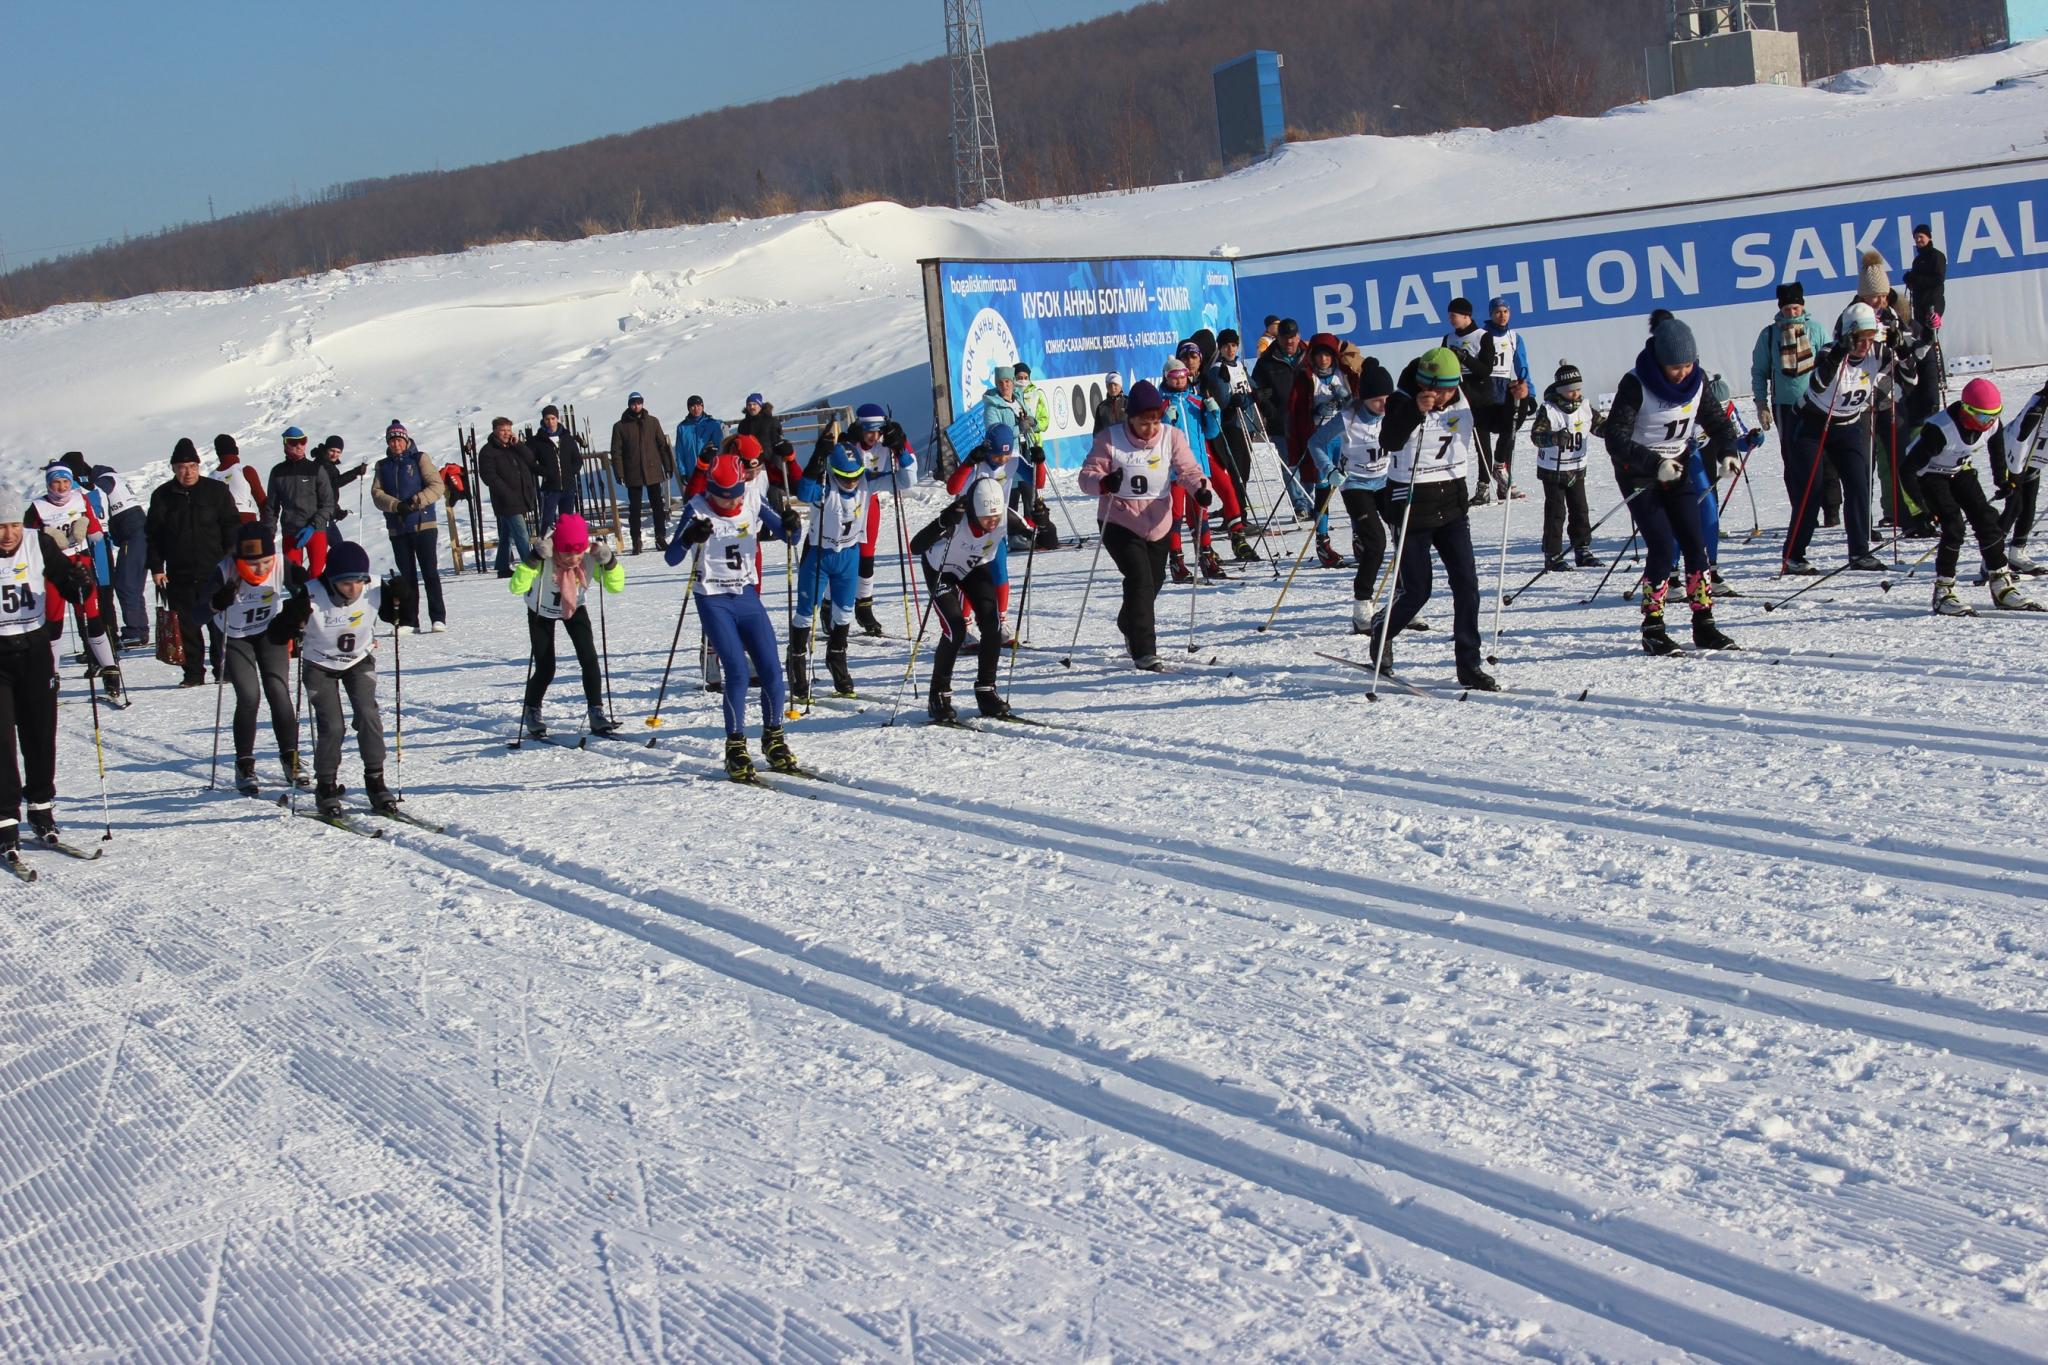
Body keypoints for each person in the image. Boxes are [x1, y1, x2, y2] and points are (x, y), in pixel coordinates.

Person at [1603, 315, 1749, 654]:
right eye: (1674, 367)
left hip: (1678, 468)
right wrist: (1655, 464)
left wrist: (1728, 452)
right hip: (1639, 472)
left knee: (1695, 544)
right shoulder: (1636, 383)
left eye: (1687, 365)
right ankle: (1653, 627)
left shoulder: (1698, 381)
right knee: (1662, 546)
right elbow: (1616, 439)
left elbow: (1718, 422)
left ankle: (1704, 624)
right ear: (1659, 361)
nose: (1682, 373)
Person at [1362, 347, 1494, 687]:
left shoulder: (1463, 396)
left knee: (1467, 586)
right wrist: (1414, 411)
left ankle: (1469, 664)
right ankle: (1383, 628)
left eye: (1451, 389)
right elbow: (1390, 440)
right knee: (1418, 590)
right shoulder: (1401, 400)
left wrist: (1518, 403)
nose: (1445, 397)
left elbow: (1495, 417)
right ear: (1424, 384)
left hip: (1451, 504)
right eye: (1439, 390)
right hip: (1410, 505)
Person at [666, 453, 802, 781]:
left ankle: (773, 738)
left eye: (736, 496)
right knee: (738, 672)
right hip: (713, 600)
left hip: (746, 597)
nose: (732, 503)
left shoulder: (752, 500)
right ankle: (736, 746)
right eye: (724, 498)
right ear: (711, 491)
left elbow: (791, 537)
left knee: (772, 670)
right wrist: (689, 537)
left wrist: (792, 524)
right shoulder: (697, 508)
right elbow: (672, 557)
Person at [268, 541, 411, 816]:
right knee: (333, 726)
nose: (354, 589)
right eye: (346, 583)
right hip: (319, 665)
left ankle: (376, 781)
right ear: (332, 580)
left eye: (359, 581)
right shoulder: (311, 593)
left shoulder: (375, 587)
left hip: (358, 660)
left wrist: (403, 598)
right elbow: (276, 635)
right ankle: (326, 786)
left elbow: (401, 618)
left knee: (368, 715)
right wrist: (292, 618)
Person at [1077, 379, 1210, 671]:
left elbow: (1189, 470)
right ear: (1130, 418)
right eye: (1143, 422)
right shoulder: (1110, 439)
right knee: (1139, 579)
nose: (1150, 428)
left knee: (1155, 580)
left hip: (1159, 521)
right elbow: (1086, 476)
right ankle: (1145, 651)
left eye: (1155, 421)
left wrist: (1200, 488)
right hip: (1119, 520)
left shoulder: (1171, 437)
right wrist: (1104, 482)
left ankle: (1129, 621)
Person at [1783, 302, 1920, 574]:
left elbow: (1911, 380)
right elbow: (1818, 384)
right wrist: (1839, 353)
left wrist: (1901, 349)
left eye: (1870, 338)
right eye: (1859, 339)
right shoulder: (1829, 352)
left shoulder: (1878, 352)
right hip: (1811, 425)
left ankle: (1859, 552)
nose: (1865, 345)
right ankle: (1793, 555)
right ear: (1847, 335)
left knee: (1859, 485)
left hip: (1847, 426)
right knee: (1812, 491)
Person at [0, 505, 95, 865]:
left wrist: (79, 584)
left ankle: (41, 806)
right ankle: (5, 819)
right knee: (2, 741)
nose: (8, 534)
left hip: (35, 650)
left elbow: (67, 582)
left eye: (13, 525)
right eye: (0, 527)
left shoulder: (38, 543)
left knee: (40, 732)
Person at [1901, 379, 2040, 614]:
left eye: (1994, 416)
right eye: (1983, 417)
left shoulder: (1992, 424)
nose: (1988, 423)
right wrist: (1922, 509)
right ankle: (1943, 591)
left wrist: (2002, 481)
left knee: (1987, 520)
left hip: (1958, 470)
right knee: (1953, 526)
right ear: (1966, 410)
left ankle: (2001, 584)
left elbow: (1996, 450)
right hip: (1928, 475)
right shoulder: (1940, 430)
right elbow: (1907, 470)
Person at [790, 440, 894, 704]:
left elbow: (906, 480)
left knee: (844, 612)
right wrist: (816, 459)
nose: (851, 482)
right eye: (845, 478)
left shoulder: (866, 482)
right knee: (806, 613)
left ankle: (836, 659)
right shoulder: (825, 487)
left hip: (848, 556)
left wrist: (901, 449)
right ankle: (797, 663)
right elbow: (804, 493)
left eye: (855, 476)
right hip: (819, 555)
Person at [911, 479, 1022, 722]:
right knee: (956, 629)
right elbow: (915, 546)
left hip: (973, 568)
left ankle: (986, 691)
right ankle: (938, 696)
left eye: (995, 517)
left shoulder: (1006, 517)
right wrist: (943, 521)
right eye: (986, 518)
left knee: (992, 624)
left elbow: (1043, 535)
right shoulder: (958, 517)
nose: (992, 523)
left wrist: (1042, 520)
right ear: (973, 512)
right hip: (940, 571)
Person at [207, 523, 306, 795]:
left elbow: (307, 594)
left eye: (265, 562)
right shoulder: (224, 570)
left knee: (278, 690)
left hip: (269, 633)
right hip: (236, 637)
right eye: (253, 564)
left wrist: (301, 599)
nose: (261, 569)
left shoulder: (280, 564)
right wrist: (216, 602)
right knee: (249, 696)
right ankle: (244, 764)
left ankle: (291, 757)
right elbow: (197, 614)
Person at [510, 512, 624, 738]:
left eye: (578, 553)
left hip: (574, 607)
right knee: (546, 667)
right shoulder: (545, 556)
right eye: (567, 553)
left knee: (589, 659)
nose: (573, 558)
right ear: (557, 548)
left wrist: (610, 563)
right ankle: (532, 709)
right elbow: (516, 587)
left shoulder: (589, 556)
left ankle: (596, 711)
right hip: (541, 611)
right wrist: (533, 559)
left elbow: (615, 587)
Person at [24, 463, 124, 703]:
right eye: (56, 482)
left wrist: (85, 525)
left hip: (80, 564)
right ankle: (52, 674)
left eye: (65, 482)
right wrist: (45, 534)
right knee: (54, 620)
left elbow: (96, 532)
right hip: (52, 567)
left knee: (92, 616)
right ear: (48, 484)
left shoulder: (81, 499)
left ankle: (109, 669)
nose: (61, 487)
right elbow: (25, 539)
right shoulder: (38, 507)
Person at [1309, 358, 1395, 633]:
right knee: (1376, 543)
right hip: (1356, 484)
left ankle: (1405, 601)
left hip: (1386, 481)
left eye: (1387, 399)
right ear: (1365, 398)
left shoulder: (1393, 413)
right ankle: (1361, 608)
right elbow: (1316, 442)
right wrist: (1329, 469)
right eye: (1378, 400)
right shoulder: (1348, 417)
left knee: (1407, 534)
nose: (1384, 405)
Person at [146, 439, 240, 687]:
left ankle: (224, 669)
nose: (187, 472)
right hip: (180, 572)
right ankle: (193, 673)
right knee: (186, 625)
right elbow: (153, 536)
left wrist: (231, 561)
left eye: (192, 466)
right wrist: (156, 567)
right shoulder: (162, 496)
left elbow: (231, 527)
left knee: (219, 623)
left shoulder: (216, 491)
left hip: (215, 570)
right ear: (173, 469)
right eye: (182, 467)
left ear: (199, 466)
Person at [941, 421, 1036, 639]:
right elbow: (952, 488)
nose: (1001, 460)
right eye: (996, 455)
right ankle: (965, 625)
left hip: (996, 525)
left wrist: (1038, 462)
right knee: (969, 575)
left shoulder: (1013, 461)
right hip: (969, 528)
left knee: (999, 572)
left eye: (1005, 455)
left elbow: (1037, 481)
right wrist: (967, 464)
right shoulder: (977, 464)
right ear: (987, 449)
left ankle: (1001, 622)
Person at [1751, 283, 1836, 525]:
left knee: (1824, 455)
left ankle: (1831, 508)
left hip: (1817, 403)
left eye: (1796, 308)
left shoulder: (1816, 330)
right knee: (1793, 458)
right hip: (1785, 406)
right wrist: (1761, 404)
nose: (1791, 313)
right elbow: (1759, 371)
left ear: (1803, 306)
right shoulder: (1769, 335)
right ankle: (1803, 511)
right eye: (1787, 309)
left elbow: (1831, 365)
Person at [1160, 356, 1233, 582]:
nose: (1179, 381)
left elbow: (1211, 432)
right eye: (1174, 377)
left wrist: (1213, 413)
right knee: (1175, 515)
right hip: (1174, 470)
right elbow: (1156, 439)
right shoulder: (1162, 404)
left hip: (1197, 468)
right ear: (1166, 378)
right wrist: (1165, 420)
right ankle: (1176, 561)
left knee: (1201, 513)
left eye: (1183, 376)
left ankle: (1207, 557)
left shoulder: (1196, 401)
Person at [371, 420, 448, 631]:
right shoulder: (382, 466)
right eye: (392, 441)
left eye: (399, 440)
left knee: (430, 572)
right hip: (397, 527)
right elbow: (377, 494)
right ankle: (410, 620)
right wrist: (395, 505)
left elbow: (437, 486)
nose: (396, 444)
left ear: (406, 440)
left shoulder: (419, 458)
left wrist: (415, 501)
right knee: (407, 577)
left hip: (423, 524)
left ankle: (438, 617)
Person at [1529, 362, 1603, 572]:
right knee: (1556, 512)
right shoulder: (1549, 409)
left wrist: (1616, 431)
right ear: (1560, 390)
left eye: (1578, 389)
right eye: (1571, 390)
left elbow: (1599, 425)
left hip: (1577, 467)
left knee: (1580, 509)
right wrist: (1553, 438)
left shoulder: (1585, 407)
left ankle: (1582, 549)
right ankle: (1552, 554)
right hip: (1553, 469)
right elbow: (1536, 436)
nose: (1575, 394)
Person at [1285, 332, 1350, 566]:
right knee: (1323, 490)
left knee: (1351, 488)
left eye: (1328, 355)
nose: (1324, 360)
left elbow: (1359, 401)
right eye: (1319, 355)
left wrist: (1346, 400)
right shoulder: (1307, 378)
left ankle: (1360, 538)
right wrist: (1315, 411)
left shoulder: (1343, 374)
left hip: (1344, 438)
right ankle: (1323, 542)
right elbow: (1297, 412)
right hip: (1320, 439)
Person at [1202, 328, 1266, 562]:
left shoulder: (1239, 365)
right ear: (1220, 348)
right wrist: (1235, 400)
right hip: (1231, 425)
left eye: (1233, 345)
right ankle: (1238, 516)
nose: (1230, 349)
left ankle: (1239, 512)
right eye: (1226, 346)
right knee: (1237, 471)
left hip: (1245, 423)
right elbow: (1222, 399)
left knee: (1244, 471)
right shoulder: (1217, 370)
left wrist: (1258, 394)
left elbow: (1250, 386)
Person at [264, 425, 336, 580]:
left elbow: (328, 504)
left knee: (317, 575)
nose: (299, 446)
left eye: (303, 441)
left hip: (316, 530)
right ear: (285, 444)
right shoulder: (277, 472)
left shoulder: (316, 469)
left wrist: (313, 525)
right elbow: (271, 507)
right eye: (293, 442)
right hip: (291, 531)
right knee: (293, 577)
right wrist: (269, 533)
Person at [610, 391, 675, 553]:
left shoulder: (652, 422)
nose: (636, 406)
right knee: (635, 509)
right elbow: (616, 452)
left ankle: (660, 537)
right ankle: (636, 540)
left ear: (642, 403)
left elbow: (662, 446)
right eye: (633, 403)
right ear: (629, 405)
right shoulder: (620, 426)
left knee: (658, 506)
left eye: (638, 403)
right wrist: (619, 473)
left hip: (653, 470)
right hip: (633, 471)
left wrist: (668, 466)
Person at [1996, 377, 2048, 573]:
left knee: (2029, 504)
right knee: (2014, 506)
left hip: (2032, 460)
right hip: (2013, 457)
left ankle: (2017, 554)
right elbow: (2020, 440)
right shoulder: (2038, 409)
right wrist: (2016, 474)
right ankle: (1991, 559)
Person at [477, 417, 539, 577]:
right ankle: (530, 567)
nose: (506, 433)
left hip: (521, 496)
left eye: (509, 430)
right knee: (521, 534)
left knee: (507, 534)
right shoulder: (488, 451)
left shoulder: (514, 447)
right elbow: (489, 476)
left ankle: (502, 566)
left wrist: (519, 445)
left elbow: (531, 459)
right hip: (506, 500)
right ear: (495, 431)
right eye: (503, 430)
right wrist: (506, 493)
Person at [529, 404, 583, 532]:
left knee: (567, 521)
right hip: (550, 488)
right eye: (547, 419)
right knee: (547, 521)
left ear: (557, 419)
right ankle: (545, 543)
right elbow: (530, 462)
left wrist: (571, 472)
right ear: (543, 420)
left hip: (568, 487)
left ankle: (566, 543)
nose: (550, 422)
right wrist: (545, 472)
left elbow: (577, 459)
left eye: (553, 418)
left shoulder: (567, 438)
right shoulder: (537, 440)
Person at [315, 437, 367, 549]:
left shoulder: (328, 465)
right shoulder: (321, 464)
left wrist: (336, 510)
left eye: (338, 452)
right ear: (326, 449)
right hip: (320, 517)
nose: (335, 454)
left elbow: (329, 493)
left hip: (326, 515)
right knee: (338, 548)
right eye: (332, 451)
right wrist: (355, 472)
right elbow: (333, 483)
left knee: (336, 548)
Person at [213, 434, 266, 522]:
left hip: (220, 523)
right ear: (235, 449)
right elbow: (262, 500)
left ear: (218, 452)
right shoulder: (245, 470)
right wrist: (267, 524)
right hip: (246, 521)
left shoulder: (211, 476)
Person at [674, 395, 724, 487]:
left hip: (710, 470)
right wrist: (683, 472)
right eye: (692, 406)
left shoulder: (712, 424)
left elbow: (720, 447)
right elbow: (679, 453)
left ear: (702, 406)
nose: (696, 409)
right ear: (688, 409)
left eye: (698, 405)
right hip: (692, 472)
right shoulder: (682, 427)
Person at [1905, 224, 1947, 324]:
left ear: (1929, 237)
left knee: (1931, 332)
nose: (1918, 240)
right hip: (1919, 306)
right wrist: (1909, 280)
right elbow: (1915, 284)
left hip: (1933, 304)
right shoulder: (1917, 260)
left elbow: (1938, 279)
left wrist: (1916, 279)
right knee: (1920, 332)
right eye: (1916, 238)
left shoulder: (1936, 256)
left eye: (1921, 236)